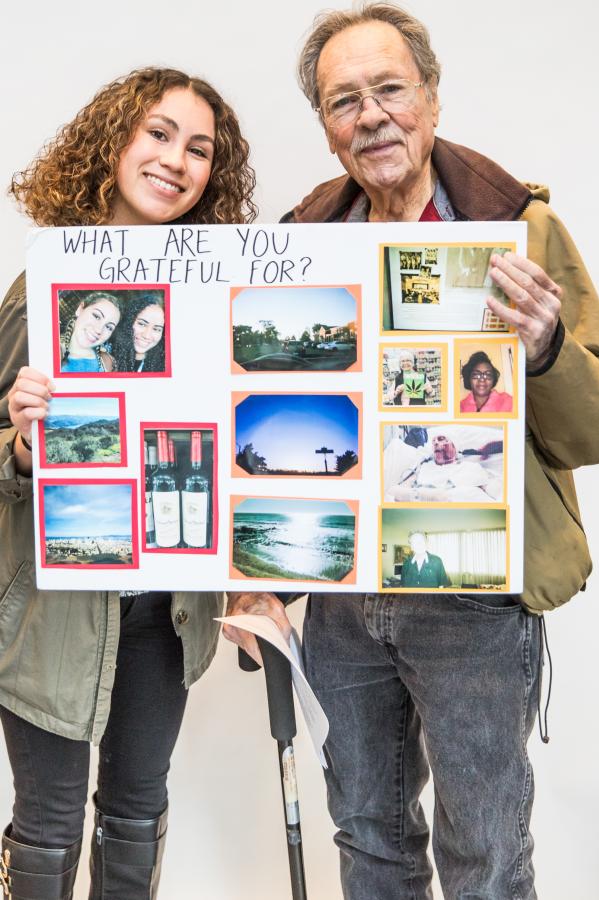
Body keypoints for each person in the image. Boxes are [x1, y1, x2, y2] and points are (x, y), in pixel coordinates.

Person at [225, 4, 599, 898]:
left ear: (431, 98)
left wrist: (545, 347)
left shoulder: (520, 231)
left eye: (390, 89)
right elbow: (263, 419)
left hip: (473, 596)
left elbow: (590, 430)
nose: (371, 116)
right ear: (326, 127)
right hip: (341, 601)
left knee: (485, 854)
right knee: (369, 840)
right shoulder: (299, 245)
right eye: (344, 100)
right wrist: (253, 572)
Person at [0, 67, 255, 898]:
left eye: (199, 149)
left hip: (167, 609)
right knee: (49, 818)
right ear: (112, 142)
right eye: (158, 133)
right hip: (52, 612)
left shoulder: (214, 297)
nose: (176, 160)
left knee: (138, 809)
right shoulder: (43, 289)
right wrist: (23, 444)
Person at [58, 291, 122, 373]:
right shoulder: (52, 352)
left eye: (109, 327)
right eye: (96, 316)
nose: (99, 330)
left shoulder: (108, 362)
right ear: (80, 309)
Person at [112, 293, 166, 372]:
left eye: (156, 329)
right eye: (142, 324)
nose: (146, 336)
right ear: (129, 321)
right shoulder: (106, 358)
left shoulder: (164, 366)